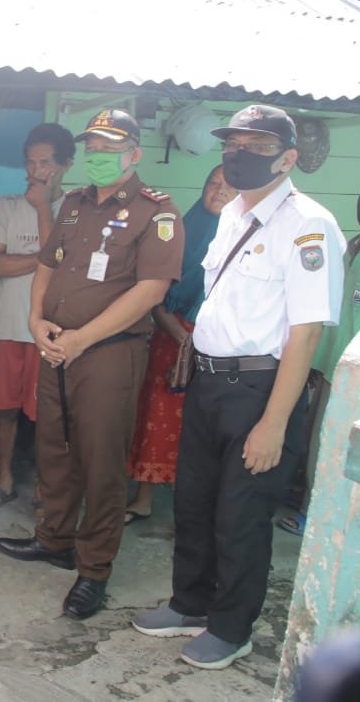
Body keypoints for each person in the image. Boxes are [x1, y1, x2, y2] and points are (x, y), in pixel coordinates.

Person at [134, 105, 345, 670]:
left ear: (288, 157)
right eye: (233, 144)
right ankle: (189, 604)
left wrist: (274, 423)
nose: (239, 155)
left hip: (259, 389)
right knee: (194, 501)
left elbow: (305, 334)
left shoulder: (309, 225)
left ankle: (231, 629)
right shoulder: (232, 212)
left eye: (256, 146)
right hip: (208, 382)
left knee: (241, 516)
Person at [0, 109, 184, 622]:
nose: (98, 157)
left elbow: (151, 290)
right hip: (57, 346)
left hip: (108, 353)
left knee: (101, 462)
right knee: (55, 448)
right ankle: (54, 539)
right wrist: (35, 320)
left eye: (109, 149)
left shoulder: (157, 213)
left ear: (134, 154)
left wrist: (83, 338)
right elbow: (46, 264)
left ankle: (94, 569)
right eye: (93, 149)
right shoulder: (75, 203)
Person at [276, 165, 360, 536]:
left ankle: (315, 514)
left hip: (352, 372)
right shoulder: (354, 245)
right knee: (307, 436)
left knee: (329, 443)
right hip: (323, 362)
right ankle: (304, 493)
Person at [0, 123, 75, 514]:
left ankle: (45, 491)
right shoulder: (7, 206)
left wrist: (43, 208)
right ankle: (4, 481)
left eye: (45, 163)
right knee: (4, 410)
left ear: (66, 164)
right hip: (8, 326)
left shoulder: (76, 208)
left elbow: (66, 269)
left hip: (51, 333)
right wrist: (45, 260)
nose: (36, 171)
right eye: (30, 163)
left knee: (48, 416)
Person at [125, 165, 236, 523]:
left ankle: (195, 506)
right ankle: (143, 497)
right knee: (159, 415)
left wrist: (202, 341)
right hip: (172, 338)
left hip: (221, 347)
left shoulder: (245, 240)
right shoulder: (180, 232)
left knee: (206, 425)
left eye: (229, 186)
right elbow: (155, 292)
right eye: (212, 183)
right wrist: (184, 339)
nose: (219, 191)